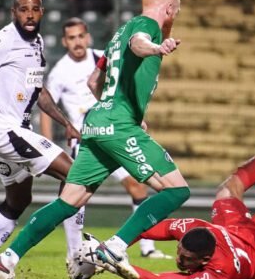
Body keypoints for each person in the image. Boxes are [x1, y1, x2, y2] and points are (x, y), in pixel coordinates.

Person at [0, 0, 189, 279]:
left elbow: (96, 80)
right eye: (176, 12)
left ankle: (6, 260)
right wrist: (156, 48)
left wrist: (129, 112)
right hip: (117, 124)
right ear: (170, 9)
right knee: (176, 191)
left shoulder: (117, 33)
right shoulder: (147, 26)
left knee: (70, 200)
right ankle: (115, 247)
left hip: (96, 122)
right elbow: (139, 43)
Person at [85, 118, 255, 279]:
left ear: (205, 260)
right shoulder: (190, 228)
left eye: (188, 259)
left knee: (245, 222)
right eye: (180, 252)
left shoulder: (221, 272)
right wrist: (110, 248)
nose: (180, 261)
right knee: (229, 192)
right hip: (234, 233)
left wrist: (118, 267)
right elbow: (143, 229)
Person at [0, 0, 81, 255]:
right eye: (23, 9)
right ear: (14, 12)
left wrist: (65, 123)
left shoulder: (37, 43)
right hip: (4, 130)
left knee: (19, 200)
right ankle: (76, 254)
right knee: (75, 175)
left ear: (42, 12)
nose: (29, 14)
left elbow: (38, 92)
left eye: (34, 9)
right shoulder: (3, 39)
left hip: (16, 130)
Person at [40, 17, 170, 263]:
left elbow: (120, 87)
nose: (77, 42)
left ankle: (147, 247)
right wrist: (48, 145)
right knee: (76, 197)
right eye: (71, 38)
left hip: (114, 131)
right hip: (87, 139)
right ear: (64, 42)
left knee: (137, 185)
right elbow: (47, 108)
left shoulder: (102, 57)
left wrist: (131, 115)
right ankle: (75, 252)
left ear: (87, 37)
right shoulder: (60, 72)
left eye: (80, 36)